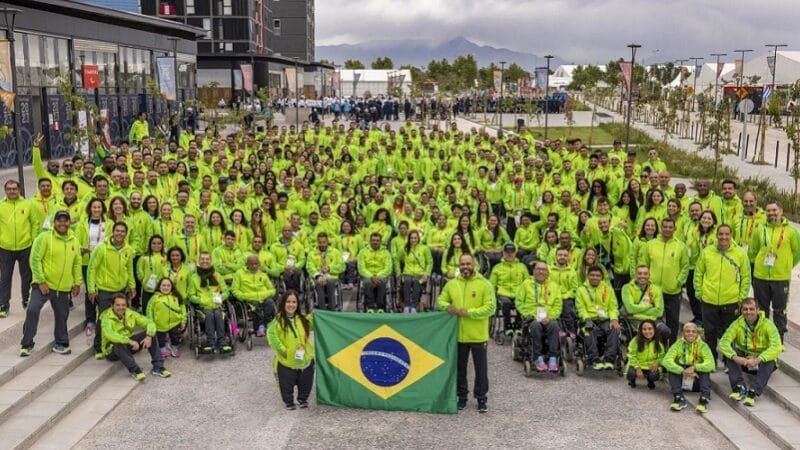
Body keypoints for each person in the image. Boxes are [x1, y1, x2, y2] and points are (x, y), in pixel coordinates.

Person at [437, 253, 496, 413]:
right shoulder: (452, 284)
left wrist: (469, 313)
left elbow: (491, 308)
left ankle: (481, 398)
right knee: (460, 369)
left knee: (480, 370)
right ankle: (461, 397)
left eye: (468, 264)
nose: (465, 267)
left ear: (474, 265)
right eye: (462, 264)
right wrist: (447, 307)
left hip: (478, 335)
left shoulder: (485, 284)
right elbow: (440, 300)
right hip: (458, 335)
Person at [20, 211, 82, 356]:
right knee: (32, 310)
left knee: (62, 315)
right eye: (59, 221)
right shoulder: (44, 237)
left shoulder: (74, 241)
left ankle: (61, 343)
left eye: (65, 221)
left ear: (69, 222)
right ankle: (26, 344)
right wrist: (41, 281)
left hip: (63, 288)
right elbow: (35, 259)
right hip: (42, 286)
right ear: (54, 223)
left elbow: (76, 263)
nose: (62, 224)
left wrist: (77, 282)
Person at [693, 225, 751, 364]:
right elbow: (698, 273)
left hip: (730, 301)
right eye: (721, 234)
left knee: (729, 334)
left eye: (726, 234)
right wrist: (699, 292)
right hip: (709, 300)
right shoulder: (707, 252)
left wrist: (742, 297)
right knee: (710, 332)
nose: (723, 237)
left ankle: (728, 362)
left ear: (731, 235)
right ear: (716, 235)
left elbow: (746, 277)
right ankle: (711, 360)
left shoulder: (740, 254)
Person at [748, 200, 800, 342]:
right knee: (761, 310)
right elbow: (753, 251)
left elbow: (797, 253)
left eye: (774, 210)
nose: (771, 213)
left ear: (781, 211)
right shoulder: (760, 229)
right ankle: (762, 337)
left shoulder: (791, 231)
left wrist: (786, 266)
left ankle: (778, 339)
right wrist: (757, 268)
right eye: (768, 211)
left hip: (780, 278)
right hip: (761, 277)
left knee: (780, 310)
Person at [719, 298, 783, 406]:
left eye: (751, 309)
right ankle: (739, 387)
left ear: (757, 310)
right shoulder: (737, 324)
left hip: (761, 362)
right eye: (745, 309)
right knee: (731, 354)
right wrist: (737, 358)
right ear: (741, 310)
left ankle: (753, 392)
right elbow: (723, 342)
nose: (748, 312)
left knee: (770, 359)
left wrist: (758, 359)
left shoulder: (768, 325)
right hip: (745, 361)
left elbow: (777, 346)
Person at [87, 222, 136, 359]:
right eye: (117, 230)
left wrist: (132, 286)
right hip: (105, 290)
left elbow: (130, 269)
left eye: (122, 231)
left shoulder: (128, 250)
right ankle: (98, 347)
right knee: (103, 319)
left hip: (121, 290)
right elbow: (92, 269)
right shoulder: (101, 248)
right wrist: (91, 289)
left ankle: (117, 345)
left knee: (121, 319)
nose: (119, 233)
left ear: (126, 234)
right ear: (112, 232)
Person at [639, 218, 689, 343]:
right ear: (661, 228)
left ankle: (671, 347)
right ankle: (656, 346)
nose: (667, 229)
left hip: (672, 291)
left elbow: (685, 267)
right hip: (653, 290)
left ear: (674, 229)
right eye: (665, 227)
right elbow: (643, 264)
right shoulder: (650, 245)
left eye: (670, 227)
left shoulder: (681, 246)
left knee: (673, 321)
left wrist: (678, 282)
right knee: (653, 320)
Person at [100, 293, 171, 380]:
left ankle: (158, 367)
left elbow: (149, 323)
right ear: (112, 305)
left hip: (129, 345)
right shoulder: (106, 317)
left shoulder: (130, 313)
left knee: (151, 333)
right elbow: (110, 335)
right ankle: (136, 370)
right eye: (118, 305)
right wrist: (129, 341)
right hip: (111, 350)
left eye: (123, 305)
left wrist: (149, 336)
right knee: (118, 342)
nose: (121, 307)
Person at [267, 290, 315, 410]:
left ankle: (302, 399)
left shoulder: (302, 319)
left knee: (306, 382)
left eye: (294, 302)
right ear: (283, 303)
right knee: (286, 384)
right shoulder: (277, 321)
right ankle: (289, 401)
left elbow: (313, 325)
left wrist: (316, 316)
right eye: (288, 302)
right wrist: (283, 350)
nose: (291, 305)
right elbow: (271, 335)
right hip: (287, 361)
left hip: (305, 359)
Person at [515, 261, 563, 372]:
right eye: (538, 269)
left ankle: (553, 358)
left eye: (544, 269)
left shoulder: (554, 286)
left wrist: (550, 317)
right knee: (535, 326)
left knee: (554, 326)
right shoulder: (526, 284)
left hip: (549, 317)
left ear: (548, 272)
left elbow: (558, 305)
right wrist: (530, 315)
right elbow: (519, 302)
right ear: (533, 271)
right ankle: (537, 357)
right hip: (532, 318)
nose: (541, 272)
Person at [0, 180, 36, 317]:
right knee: (5, 277)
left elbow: (34, 223)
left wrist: (32, 240)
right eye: (9, 189)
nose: (12, 191)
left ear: (19, 190)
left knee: (27, 276)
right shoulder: (1, 205)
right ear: (5, 190)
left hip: (25, 246)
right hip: (5, 248)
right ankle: (3, 304)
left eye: (14, 189)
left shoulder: (27, 204)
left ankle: (27, 300)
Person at [661, 322, 715, 413]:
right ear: (683, 333)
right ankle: (679, 398)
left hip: (696, 381)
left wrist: (695, 368)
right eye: (687, 331)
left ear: (697, 334)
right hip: (682, 380)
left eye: (693, 331)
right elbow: (666, 361)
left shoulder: (703, 346)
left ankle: (704, 399)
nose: (690, 333)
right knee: (672, 369)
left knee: (705, 370)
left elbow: (711, 364)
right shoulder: (678, 344)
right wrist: (682, 371)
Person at [575, 265, 620, 370]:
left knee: (614, 329)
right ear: (587, 276)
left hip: (604, 320)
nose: (595, 277)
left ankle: (609, 359)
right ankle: (594, 359)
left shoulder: (608, 289)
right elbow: (580, 308)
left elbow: (613, 307)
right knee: (589, 329)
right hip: (588, 319)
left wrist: (614, 319)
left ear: (602, 277)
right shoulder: (581, 290)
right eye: (592, 275)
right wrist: (587, 319)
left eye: (598, 275)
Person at [189, 252, 232, 353]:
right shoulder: (194, 278)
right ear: (199, 261)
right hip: (203, 307)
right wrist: (202, 300)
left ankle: (222, 342)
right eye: (202, 259)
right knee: (209, 314)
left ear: (211, 261)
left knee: (218, 314)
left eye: (207, 259)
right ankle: (210, 343)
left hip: (217, 305)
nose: (205, 261)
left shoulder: (217, 275)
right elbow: (191, 296)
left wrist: (220, 298)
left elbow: (226, 291)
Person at [621, 265, 670, 344]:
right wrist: (649, 307)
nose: (642, 276)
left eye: (645, 274)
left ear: (649, 275)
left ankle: (661, 350)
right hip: (635, 320)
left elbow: (659, 311)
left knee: (665, 330)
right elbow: (630, 309)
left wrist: (637, 311)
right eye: (639, 273)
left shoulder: (656, 289)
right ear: (635, 275)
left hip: (652, 319)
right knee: (646, 332)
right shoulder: (626, 288)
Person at [489, 243, 529, 336]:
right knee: (506, 303)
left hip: (518, 294)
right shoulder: (497, 268)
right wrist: (492, 297)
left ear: (515, 253)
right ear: (503, 253)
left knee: (521, 302)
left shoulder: (522, 266)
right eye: (507, 252)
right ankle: (507, 326)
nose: (509, 254)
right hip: (503, 294)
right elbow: (491, 285)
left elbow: (527, 282)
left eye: (512, 252)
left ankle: (518, 325)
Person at [231, 255, 277, 337]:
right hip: (249, 298)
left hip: (263, 297)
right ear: (247, 264)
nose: (254, 266)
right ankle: (259, 329)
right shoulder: (239, 274)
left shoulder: (262, 274)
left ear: (259, 264)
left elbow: (272, 290)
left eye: (256, 264)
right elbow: (234, 290)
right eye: (252, 264)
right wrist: (244, 296)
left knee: (270, 304)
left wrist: (264, 294)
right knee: (257, 309)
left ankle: (264, 326)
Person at [146, 277, 187, 358]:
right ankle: (163, 349)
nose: (166, 287)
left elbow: (183, 309)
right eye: (164, 285)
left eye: (168, 285)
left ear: (172, 286)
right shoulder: (154, 298)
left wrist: (183, 321)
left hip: (175, 323)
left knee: (175, 337)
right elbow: (149, 311)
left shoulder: (176, 296)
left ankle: (175, 348)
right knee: (160, 339)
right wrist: (151, 322)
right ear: (159, 286)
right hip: (160, 324)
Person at [356, 232, 393, 312]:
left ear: (380, 242)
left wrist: (378, 276)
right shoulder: (363, 252)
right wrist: (371, 276)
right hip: (368, 275)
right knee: (368, 283)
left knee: (382, 282)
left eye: (377, 240)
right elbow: (361, 268)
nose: (375, 242)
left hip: (381, 275)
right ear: (370, 241)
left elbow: (388, 268)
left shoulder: (386, 252)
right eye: (373, 240)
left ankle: (380, 307)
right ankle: (370, 307)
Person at [307, 233, 344, 311]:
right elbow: (309, 267)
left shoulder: (335, 252)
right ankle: (322, 310)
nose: (322, 244)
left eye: (324, 242)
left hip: (331, 277)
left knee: (330, 282)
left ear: (327, 242)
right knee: (319, 283)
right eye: (320, 242)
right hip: (317, 278)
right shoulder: (312, 254)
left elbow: (342, 266)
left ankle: (332, 309)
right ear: (317, 242)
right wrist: (318, 276)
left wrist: (330, 268)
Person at [625, 319, 665, 389]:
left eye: (650, 329)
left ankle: (650, 381)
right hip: (637, 364)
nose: (647, 331)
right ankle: (632, 380)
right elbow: (631, 355)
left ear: (654, 330)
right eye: (644, 329)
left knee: (654, 375)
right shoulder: (635, 341)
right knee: (631, 373)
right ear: (641, 330)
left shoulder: (658, 342)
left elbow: (662, 356)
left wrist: (657, 363)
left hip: (650, 366)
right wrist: (637, 368)